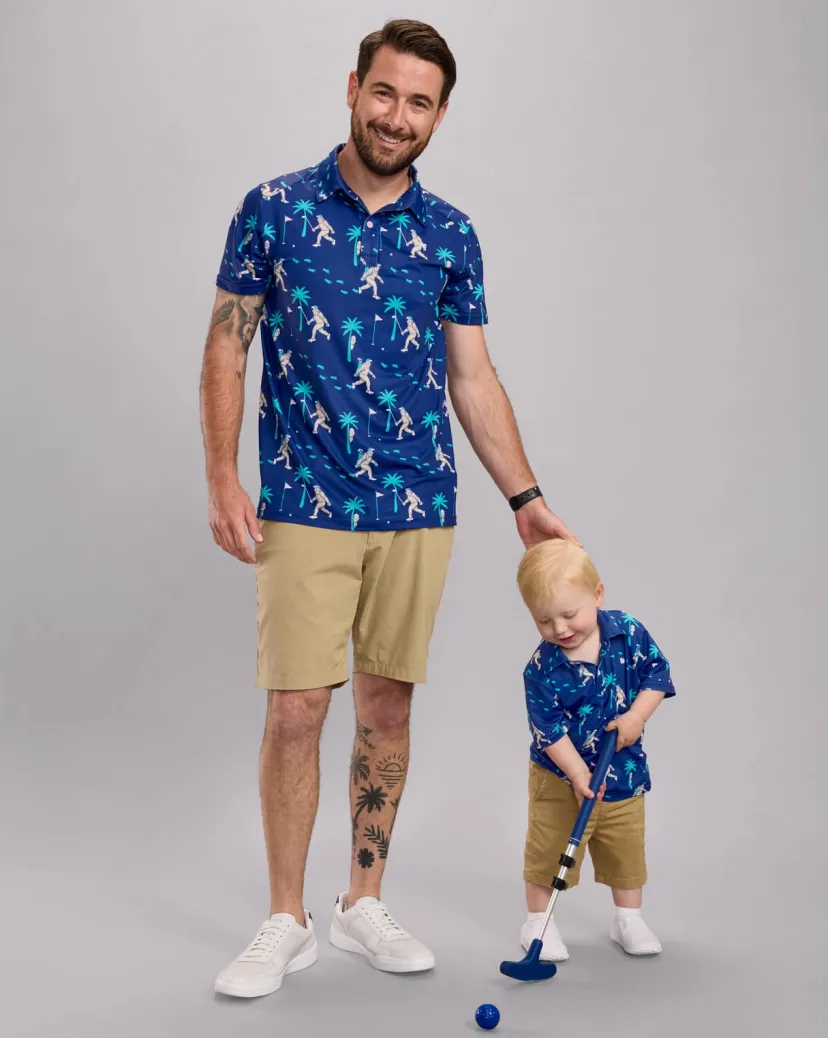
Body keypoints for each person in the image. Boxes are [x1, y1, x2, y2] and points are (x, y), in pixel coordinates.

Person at [199, 19, 577, 998]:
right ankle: (285, 919)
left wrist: (526, 499)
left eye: (418, 103)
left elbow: (472, 377)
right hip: (305, 500)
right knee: (296, 708)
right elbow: (228, 342)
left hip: (417, 502)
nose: (396, 116)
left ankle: (360, 901)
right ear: (352, 87)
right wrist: (222, 477)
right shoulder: (274, 210)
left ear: (438, 116)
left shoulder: (450, 235)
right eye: (384, 92)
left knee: (387, 706)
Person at [516, 539, 676, 961]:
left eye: (570, 614)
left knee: (625, 848)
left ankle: (629, 918)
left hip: (622, 770)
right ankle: (538, 922)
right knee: (551, 849)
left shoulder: (628, 633)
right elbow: (548, 730)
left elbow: (657, 673)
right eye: (544, 620)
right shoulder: (541, 669)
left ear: (597, 595)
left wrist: (637, 716)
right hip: (559, 777)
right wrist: (576, 773)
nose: (560, 629)